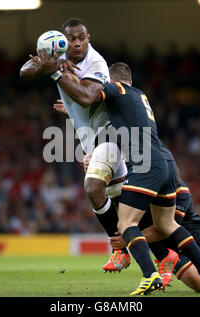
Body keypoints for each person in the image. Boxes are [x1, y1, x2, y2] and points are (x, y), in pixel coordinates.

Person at [48, 61, 200, 295]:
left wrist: (61, 75)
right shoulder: (139, 96)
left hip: (145, 165)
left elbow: (89, 95)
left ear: (109, 80)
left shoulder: (115, 89)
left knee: (126, 223)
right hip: (167, 161)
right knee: (167, 225)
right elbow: (105, 115)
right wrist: (74, 110)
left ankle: (150, 276)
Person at [20, 18, 128, 268]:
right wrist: (47, 60)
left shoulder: (96, 63)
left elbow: (89, 97)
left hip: (110, 135)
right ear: (62, 41)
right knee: (120, 200)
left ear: (89, 37)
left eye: (82, 38)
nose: (77, 44)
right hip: (92, 140)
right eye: (71, 39)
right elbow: (24, 72)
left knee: (92, 188)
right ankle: (176, 257)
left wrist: (56, 72)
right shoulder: (58, 55)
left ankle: (120, 248)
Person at [108, 179, 200, 293]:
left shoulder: (179, 189)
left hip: (194, 234)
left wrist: (129, 239)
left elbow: (166, 229)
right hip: (167, 245)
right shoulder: (138, 191)